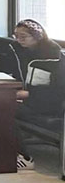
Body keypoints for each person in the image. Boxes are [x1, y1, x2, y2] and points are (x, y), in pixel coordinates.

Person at [7, 19, 63, 170]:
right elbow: (9, 65)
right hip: (28, 99)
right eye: (16, 36)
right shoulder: (21, 50)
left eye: (23, 37)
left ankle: (25, 157)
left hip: (47, 104)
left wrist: (28, 94)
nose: (19, 40)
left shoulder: (54, 55)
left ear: (37, 36)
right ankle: (2, 148)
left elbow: (58, 90)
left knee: (4, 109)